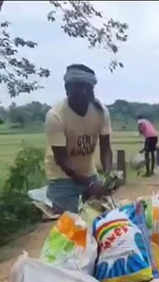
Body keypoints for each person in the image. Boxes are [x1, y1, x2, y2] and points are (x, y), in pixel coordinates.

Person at [44, 64, 112, 214]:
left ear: (92, 90)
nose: (82, 92)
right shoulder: (55, 116)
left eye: (86, 88)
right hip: (61, 177)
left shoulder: (101, 112)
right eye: (77, 87)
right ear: (67, 89)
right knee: (68, 226)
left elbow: (106, 148)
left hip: (89, 172)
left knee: (99, 219)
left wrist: (106, 177)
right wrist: (89, 184)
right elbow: (62, 159)